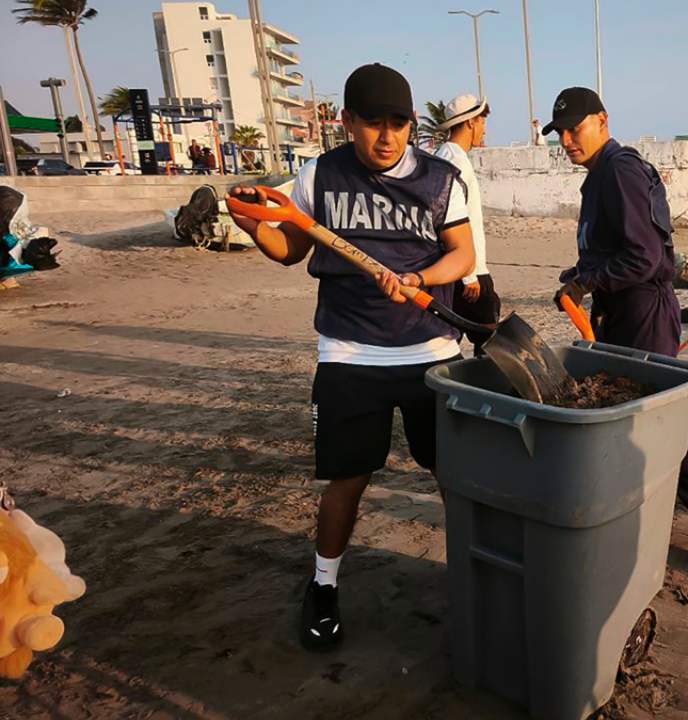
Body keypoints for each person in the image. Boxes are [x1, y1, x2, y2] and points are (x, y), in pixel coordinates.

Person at [227, 63, 474, 652]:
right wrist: (253, 228)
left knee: (454, 477)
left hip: (432, 351)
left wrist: (420, 278)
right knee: (348, 480)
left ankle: (474, 576)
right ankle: (323, 585)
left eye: (398, 124)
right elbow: (290, 247)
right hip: (349, 352)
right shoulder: (320, 175)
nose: (386, 137)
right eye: (372, 123)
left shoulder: (440, 179)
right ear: (347, 121)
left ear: (412, 125)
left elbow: (461, 255)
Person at [545, 86, 688, 573]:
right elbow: (616, 250)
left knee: (658, 424)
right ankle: (629, 512)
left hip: (644, 311)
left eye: (575, 129)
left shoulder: (619, 171)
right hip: (620, 310)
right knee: (627, 418)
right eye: (560, 133)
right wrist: (579, 277)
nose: (567, 141)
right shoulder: (601, 175)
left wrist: (588, 282)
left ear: (602, 121)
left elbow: (644, 257)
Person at [435, 94, 500, 354]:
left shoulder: (447, 156)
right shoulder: (454, 162)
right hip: (468, 268)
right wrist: (469, 275)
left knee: (454, 337)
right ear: (471, 122)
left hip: (458, 267)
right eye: (482, 122)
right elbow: (451, 218)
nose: (484, 129)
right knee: (490, 340)